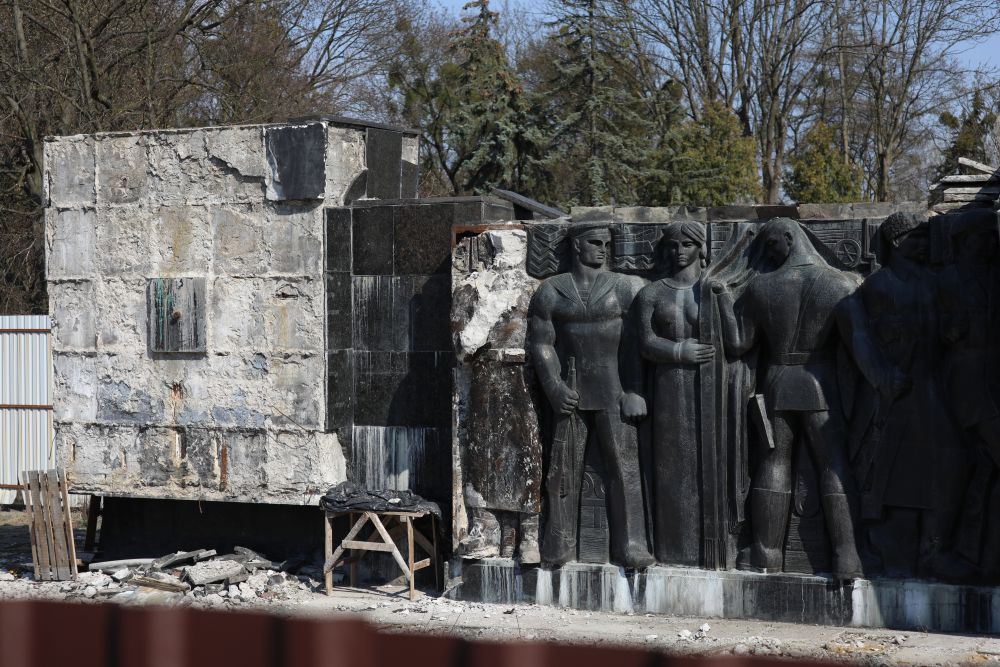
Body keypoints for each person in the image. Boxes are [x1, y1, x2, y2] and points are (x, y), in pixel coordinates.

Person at [712, 218, 864, 579]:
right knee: (833, 465)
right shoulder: (840, 283)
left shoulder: (762, 287)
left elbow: (738, 343)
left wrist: (722, 299)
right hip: (819, 382)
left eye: (771, 244)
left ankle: (766, 553)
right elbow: (859, 344)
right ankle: (847, 557)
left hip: (778, 382)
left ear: (789, 237)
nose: (768, 254)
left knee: (774, 462)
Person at [527, 220, 654, 568]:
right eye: (596, 243)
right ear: (577, 245)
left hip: (614, 390)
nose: (603, 250)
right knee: (562, 469)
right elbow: (541, 343)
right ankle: (559, 541)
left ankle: (631, 544)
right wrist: (554, 387)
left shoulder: (623, 288)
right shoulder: (551, 291)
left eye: (607, 244)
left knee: (625, 468)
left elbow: (635, 345)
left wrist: (635, 390)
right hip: (571, 390)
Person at [633, 222, 713, 566]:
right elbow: (644, 342)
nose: (679, 251)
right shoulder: (651, 294)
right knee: (670, 465)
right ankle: (672, 546)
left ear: (700, 248)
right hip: (668, 386)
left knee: (707, 465)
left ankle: (709, 545)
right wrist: (679, 351)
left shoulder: (713, 289)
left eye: (686, 244)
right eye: (673, 245)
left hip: (710, 390)